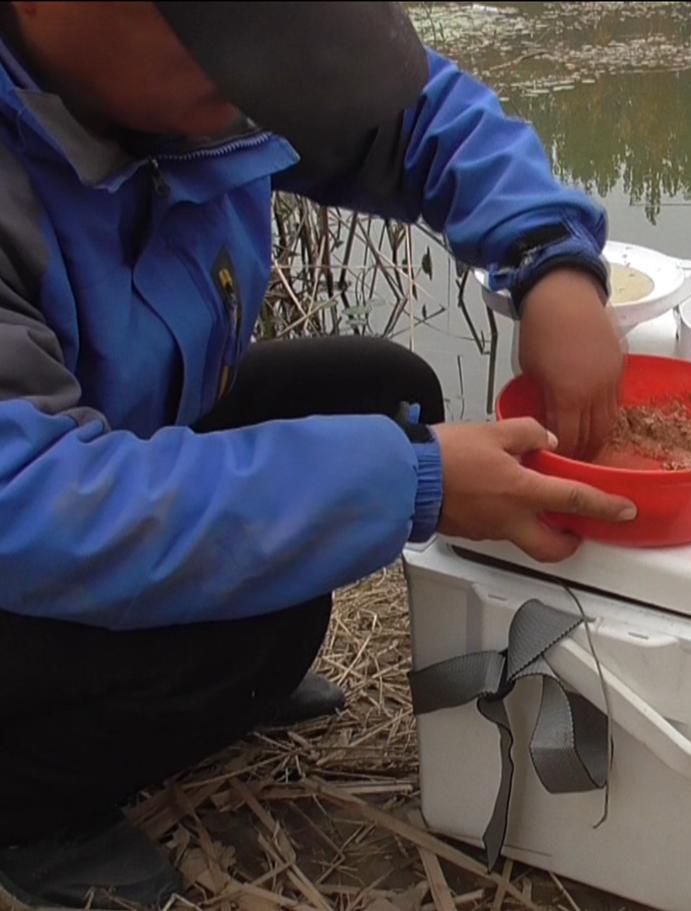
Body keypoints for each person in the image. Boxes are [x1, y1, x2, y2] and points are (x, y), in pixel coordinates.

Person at [0, 3, 637, 907]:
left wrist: (550, 261)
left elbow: (418, 115)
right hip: (30, 524)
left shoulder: (191, 87)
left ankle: (207, 676)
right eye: (230, 61)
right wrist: (414, 477)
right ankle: (28, 810)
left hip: (100, 447)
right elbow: (33, 500)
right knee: (267, 629)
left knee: (383, 392)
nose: (258, 96)